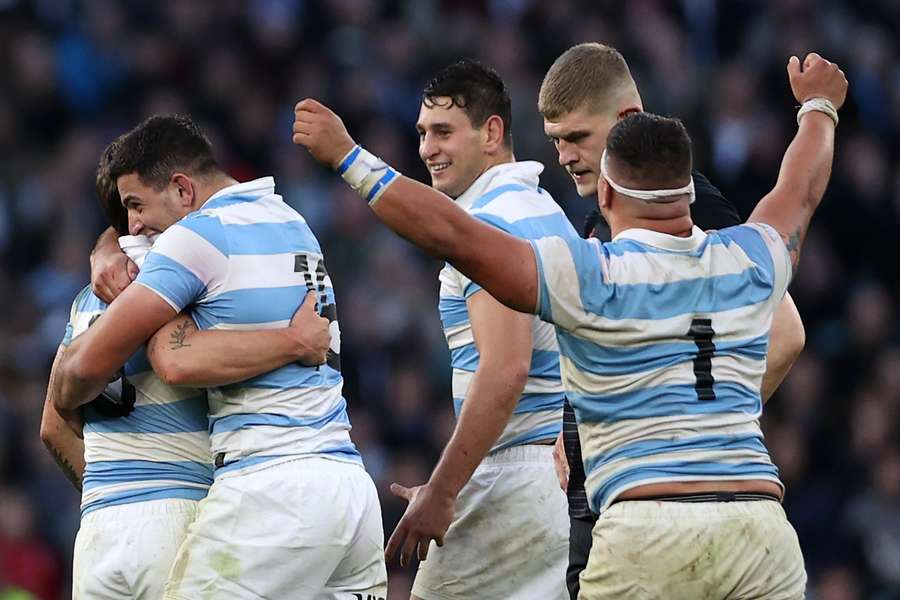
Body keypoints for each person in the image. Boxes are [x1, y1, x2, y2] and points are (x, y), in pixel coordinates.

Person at [292, 51, 847, 598]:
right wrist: (819, 107)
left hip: (645, 520)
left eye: (577, 140)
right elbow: (797, 192)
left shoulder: (590, 274)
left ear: (607, 195)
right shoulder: (751, 253)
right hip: (759, 525)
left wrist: (349, 159)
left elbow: (451, 235)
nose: (564, 157)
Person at [52, 116, 387, 599]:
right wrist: (105, 249)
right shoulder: (292, 222)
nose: (134, 227)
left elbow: (168, 362)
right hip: (349, 488)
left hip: (271, 487)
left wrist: (114, 261)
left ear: (183, 190)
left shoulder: (194, 238)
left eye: (136, 206)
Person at [537, 42, 807, 598]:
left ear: (626, 121)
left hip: (654, 504)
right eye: (556, 141)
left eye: (578, 138)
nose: (564, 156)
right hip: (613, 493)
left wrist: (686, 430)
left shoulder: (690, 211)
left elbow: (785, 334)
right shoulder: (600, 216)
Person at [383, 59, 569, 599]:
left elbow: (507, 369)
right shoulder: (546, 210)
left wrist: (444, 490)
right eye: (421, 133)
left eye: (443, 132)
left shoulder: (491, 224)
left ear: (491, 132)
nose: (426, 149)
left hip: (514, 481)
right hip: (558, 473)